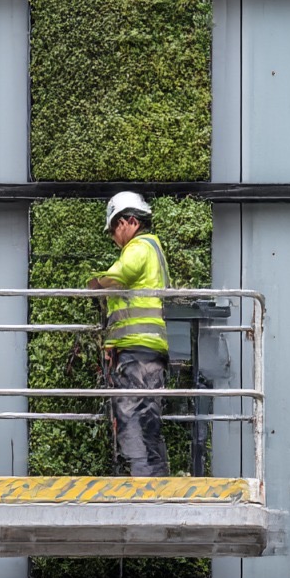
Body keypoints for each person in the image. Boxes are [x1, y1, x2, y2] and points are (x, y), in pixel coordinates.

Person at [87, 191, 171, 477]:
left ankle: (141, 480)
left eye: (114, 228)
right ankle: (155, 479)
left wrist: (96, 283)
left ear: (130, 221)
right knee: (148, 418)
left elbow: (120, 274)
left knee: (131, 415)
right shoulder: (154, 250)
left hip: (137, 351)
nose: (113, 236)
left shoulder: (139, 248)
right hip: (146, 349)